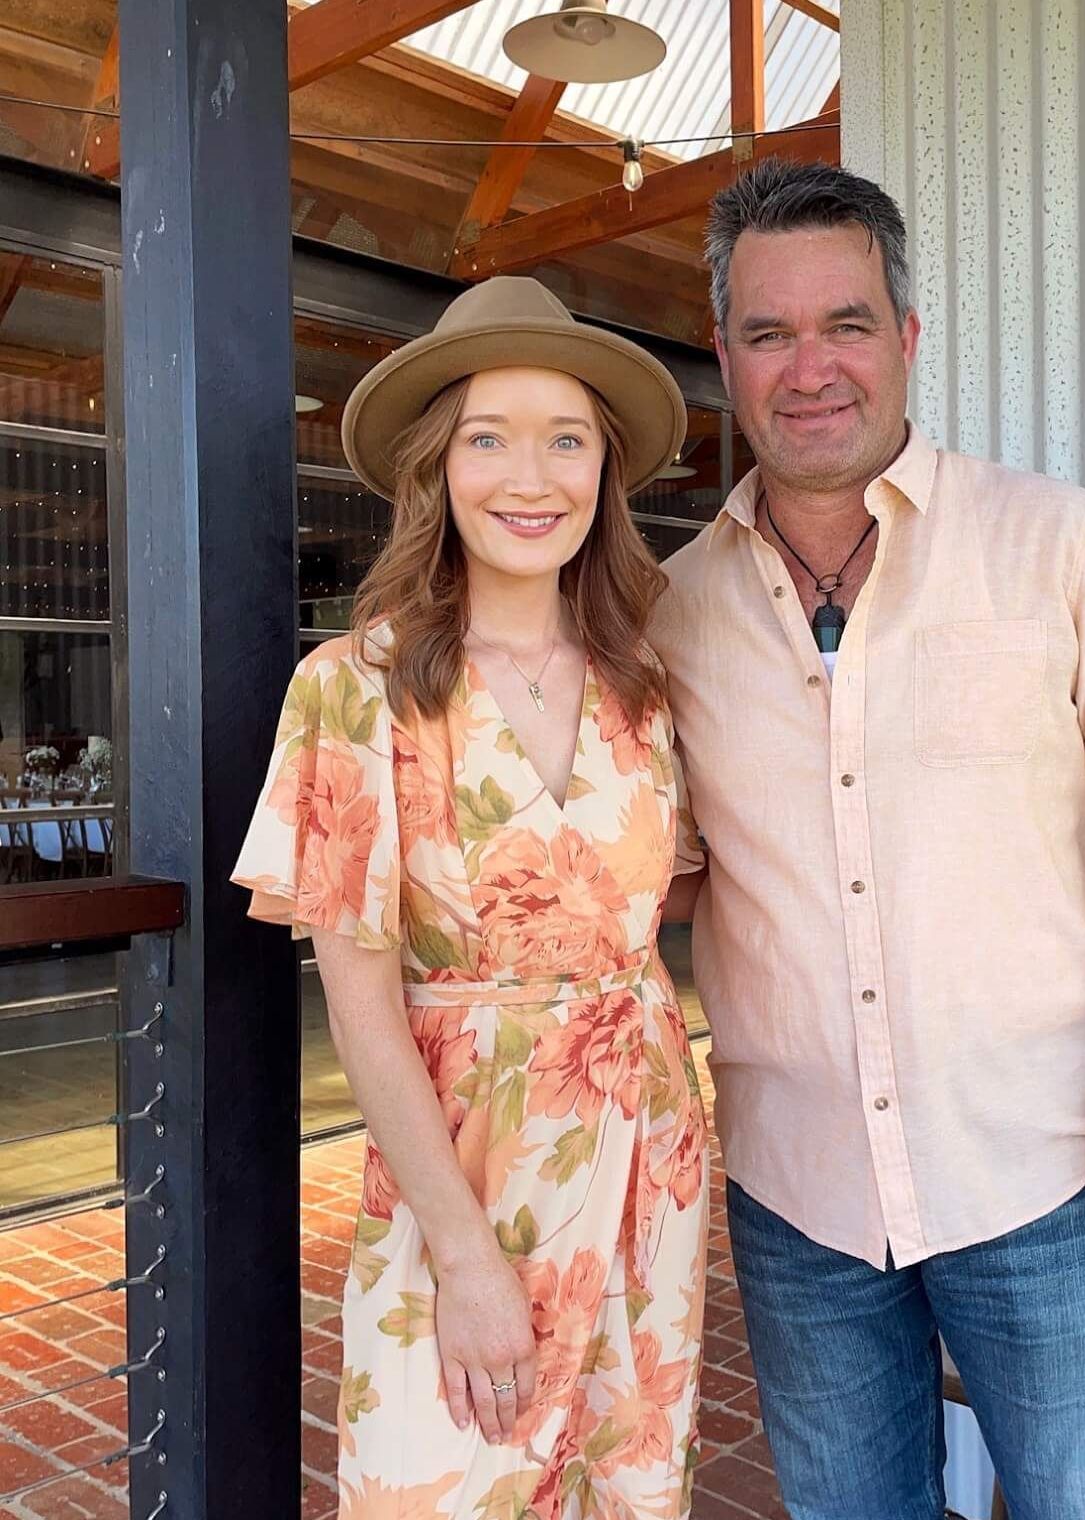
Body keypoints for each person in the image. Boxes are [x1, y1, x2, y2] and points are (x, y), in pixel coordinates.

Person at [653, 160, 1085, 1519]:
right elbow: (661, 865)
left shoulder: (1058, 544)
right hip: (797, 1195)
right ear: (726, 357)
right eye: (768, 332)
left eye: (846, 324)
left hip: (1044, 1173)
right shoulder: (672, 611)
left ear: (906, 340)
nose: (812, 368)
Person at [233, 278, 709, 1520]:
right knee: (436, 1482)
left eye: (566, 437)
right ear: (435, 468)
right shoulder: (354, 687)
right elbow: (361, 1005)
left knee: (625, 1485)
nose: (528, 473)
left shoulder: (642, 684)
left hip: (643, 1160)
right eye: (486, 437)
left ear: (605, 471)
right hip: (461, 1172)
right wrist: (460, 1250)